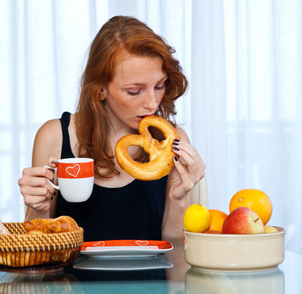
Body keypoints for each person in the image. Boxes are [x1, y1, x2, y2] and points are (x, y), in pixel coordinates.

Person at [18, 16, 205, 242]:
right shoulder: (55, 136)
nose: (153, 103)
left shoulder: (172, 142)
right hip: (71, 279)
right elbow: (34, 248)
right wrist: (37, 208)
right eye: (134, 91)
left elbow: (175, 255)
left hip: (150, 278)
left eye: (159, 86)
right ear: (100, 89)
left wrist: (179, 199)